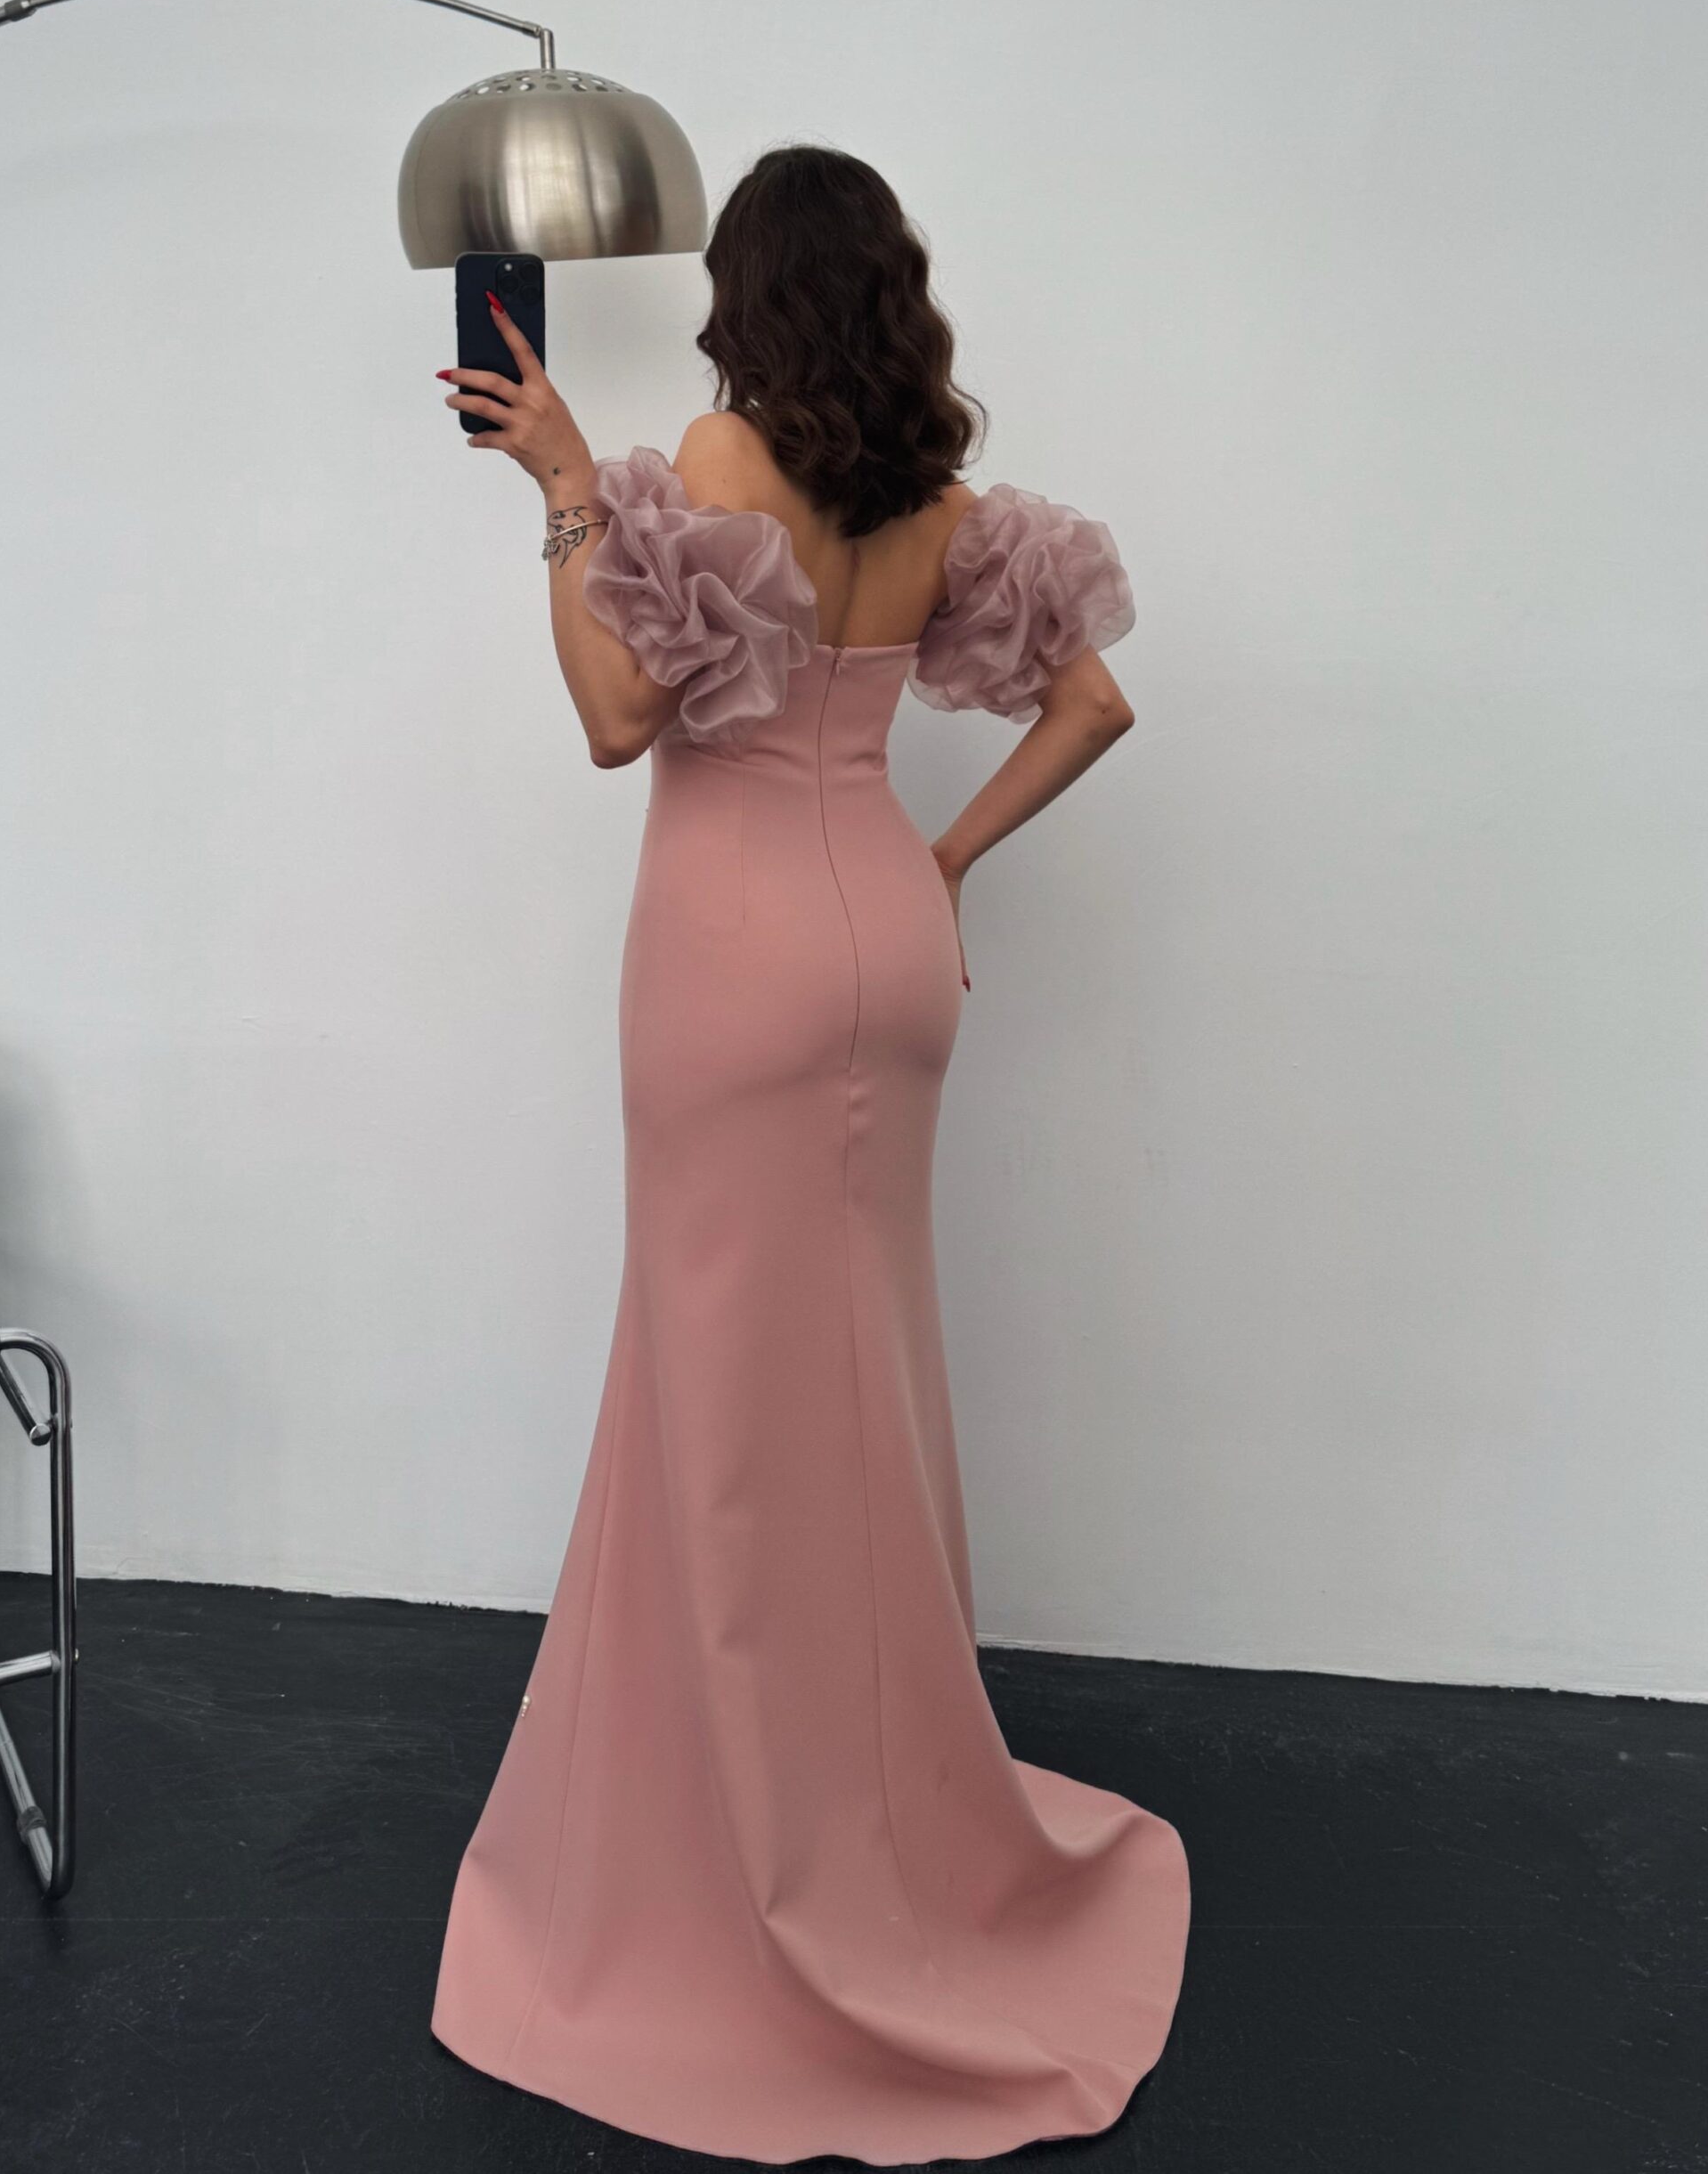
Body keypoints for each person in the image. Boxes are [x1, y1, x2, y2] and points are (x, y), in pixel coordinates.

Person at [427, 143, 1189, 2164]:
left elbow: (618, 717)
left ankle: (746, 1857)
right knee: (860, 1390)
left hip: (729, 965)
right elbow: (1097, 701)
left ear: (745, 295)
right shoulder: (936, 498)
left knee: (725, 1406)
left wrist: (563, 484)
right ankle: (881, 1819)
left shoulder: (719, 457)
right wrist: (942, 858)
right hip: (884, 950)